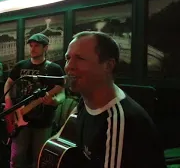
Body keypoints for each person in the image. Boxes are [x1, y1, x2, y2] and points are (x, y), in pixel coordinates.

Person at [60, 31, 166, 167]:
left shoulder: (119, 122)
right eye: (68, 58)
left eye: (80, 59)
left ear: (108, 66)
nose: (69, 66)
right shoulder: (84, 102)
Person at [4, 33, 66, 168]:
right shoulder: (20, 66)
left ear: (46, 48)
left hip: (43, 121)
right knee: (16, 158)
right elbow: (8, 83)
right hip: (19, 119)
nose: (32, 49)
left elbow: (62, 94)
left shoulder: (54, 69)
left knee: (39, 159)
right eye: (31, 46)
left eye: (37, 46)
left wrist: (54, 101)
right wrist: (8, 100)